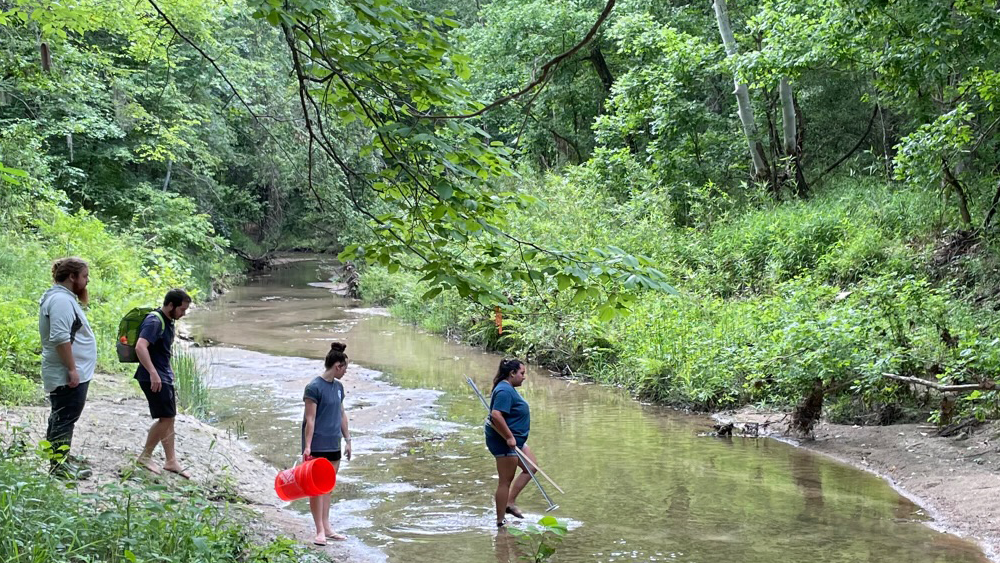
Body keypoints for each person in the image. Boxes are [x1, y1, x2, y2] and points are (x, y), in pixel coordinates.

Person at [38, 257, 97, 479]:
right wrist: (72, 369)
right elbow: (60, 337)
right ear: (72, 277)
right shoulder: (61, 301)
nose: (87, 280)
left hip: (69, 370)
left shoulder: (62, 298)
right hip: (67, 372)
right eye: (84, 276)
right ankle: (59, 467)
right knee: (65, 417)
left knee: (61, 415)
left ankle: (58, 458)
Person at [135, 288, 192, 477]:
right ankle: (145, 456)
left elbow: (161, 350)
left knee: (170, 418)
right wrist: (153, 373)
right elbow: (140, 346)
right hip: (153, 377)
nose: (183, 314)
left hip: (162, 376)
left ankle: (171, 461)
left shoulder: (168, 321)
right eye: (181, 310)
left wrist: (167, 371)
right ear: (170, 305)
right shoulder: (154, 320)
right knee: (165, 419)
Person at [302, 342, 353, 547]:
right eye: (345, 368)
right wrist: (307, 447)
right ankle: (319, 531)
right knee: (316, 488)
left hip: (334, 443)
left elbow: (341, 414)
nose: (346, 372)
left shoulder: (339, 387)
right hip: (316, 444)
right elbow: (310, 419)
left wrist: (348, 440)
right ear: (337, 366)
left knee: (328, 487)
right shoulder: (313, 387)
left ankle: (328, 527)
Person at [485, 358, 538, 528]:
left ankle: (510, 502)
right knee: (505, 481)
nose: (524, 377)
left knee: (531, 467)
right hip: (505, 441)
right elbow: (496, 415)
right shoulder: (504, 391)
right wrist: (509, 437)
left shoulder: (507, 388)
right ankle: (500, 522)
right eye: (522, 373)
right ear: (512, 373)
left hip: (516, 440)